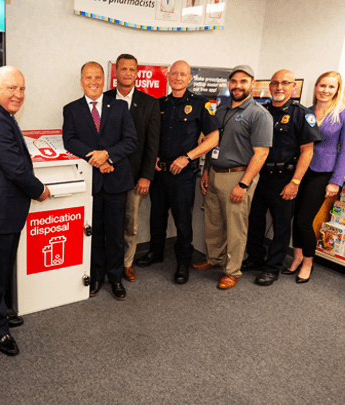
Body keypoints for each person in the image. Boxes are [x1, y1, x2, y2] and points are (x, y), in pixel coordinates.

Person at [0, 66, 51, 357]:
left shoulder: (1, 115)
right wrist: (39, 190)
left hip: (6, 210)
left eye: (22, 89)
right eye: (11, 88)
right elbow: (15, 168)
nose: (18, 94)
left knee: (2, 268)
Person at [135, 60, 220, 284]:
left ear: (190, 78)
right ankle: (156, 252)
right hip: (160, 172)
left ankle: (183, 262)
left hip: (183, 174)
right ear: (168, 76)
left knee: (183, 221)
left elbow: (214, 138)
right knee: (157, 215)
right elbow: (151, 136)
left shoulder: (201, 104)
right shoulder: (158, 104)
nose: (178, 78)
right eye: (174, 74)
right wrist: (151, 158)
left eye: (183, 74)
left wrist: (188, 157)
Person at [63, 61, 138, 300]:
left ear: (104, 81)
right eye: (88, 78)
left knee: (115, 233)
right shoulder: (71, 109)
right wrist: (96, 159)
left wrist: (108, 155)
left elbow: (130, 141)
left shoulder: (119, 106)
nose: (93, 82)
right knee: (93, 232)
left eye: (97, 77)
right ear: (81, 81)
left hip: (116, 181)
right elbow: (70, 141)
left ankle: (115, 278)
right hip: (90, 182)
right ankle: (96, 276)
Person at [194, 65, 273, 289]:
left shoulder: (259, 114)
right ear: (229, 84)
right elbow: (213, 143)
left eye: (243, 81)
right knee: (213, 222)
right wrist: (207, 170)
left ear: (252, 84)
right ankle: (215, 260)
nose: (237, 86)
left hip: (238, 176)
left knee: (236, 227)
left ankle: (232, 271)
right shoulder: (221, 109)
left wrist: (243, 184)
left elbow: (262, 153)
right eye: (234, 81)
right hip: (215, 173)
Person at [241, 69, 321, 286]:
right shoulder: (260, 110)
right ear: (269, 86)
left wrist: (294, 182)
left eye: (285, 83)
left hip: (284, 179)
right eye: (275, 83)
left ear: (293, 86)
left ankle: (272, 267)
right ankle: (255, 258)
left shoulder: (301, 114)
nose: (279, 87)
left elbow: (308, 151)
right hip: (259, 177)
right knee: (255, 221)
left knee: (281, 226)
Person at [285, 71, 345, 283]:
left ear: (337, 90)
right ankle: (297, 258)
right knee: (296, 218)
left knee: (304, 221)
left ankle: (308, 263)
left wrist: (336, 181)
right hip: (300, 171)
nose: (325, 90)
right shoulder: (306, 111)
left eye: (331, 87)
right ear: (315, 87)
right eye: (322, 86)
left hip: (323, 173)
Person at [104, 54, 160, 283]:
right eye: (123, 69)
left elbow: (152, 143)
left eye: (132, 69)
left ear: (137, 73)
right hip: (106, 174)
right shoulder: (102, 98)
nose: (127, 73)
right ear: (116, 72)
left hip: (135, 175)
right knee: (106, 222)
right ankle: (106, 263)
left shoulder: (150, 103)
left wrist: (147, 176)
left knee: (131, 223)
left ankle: (126, 263)